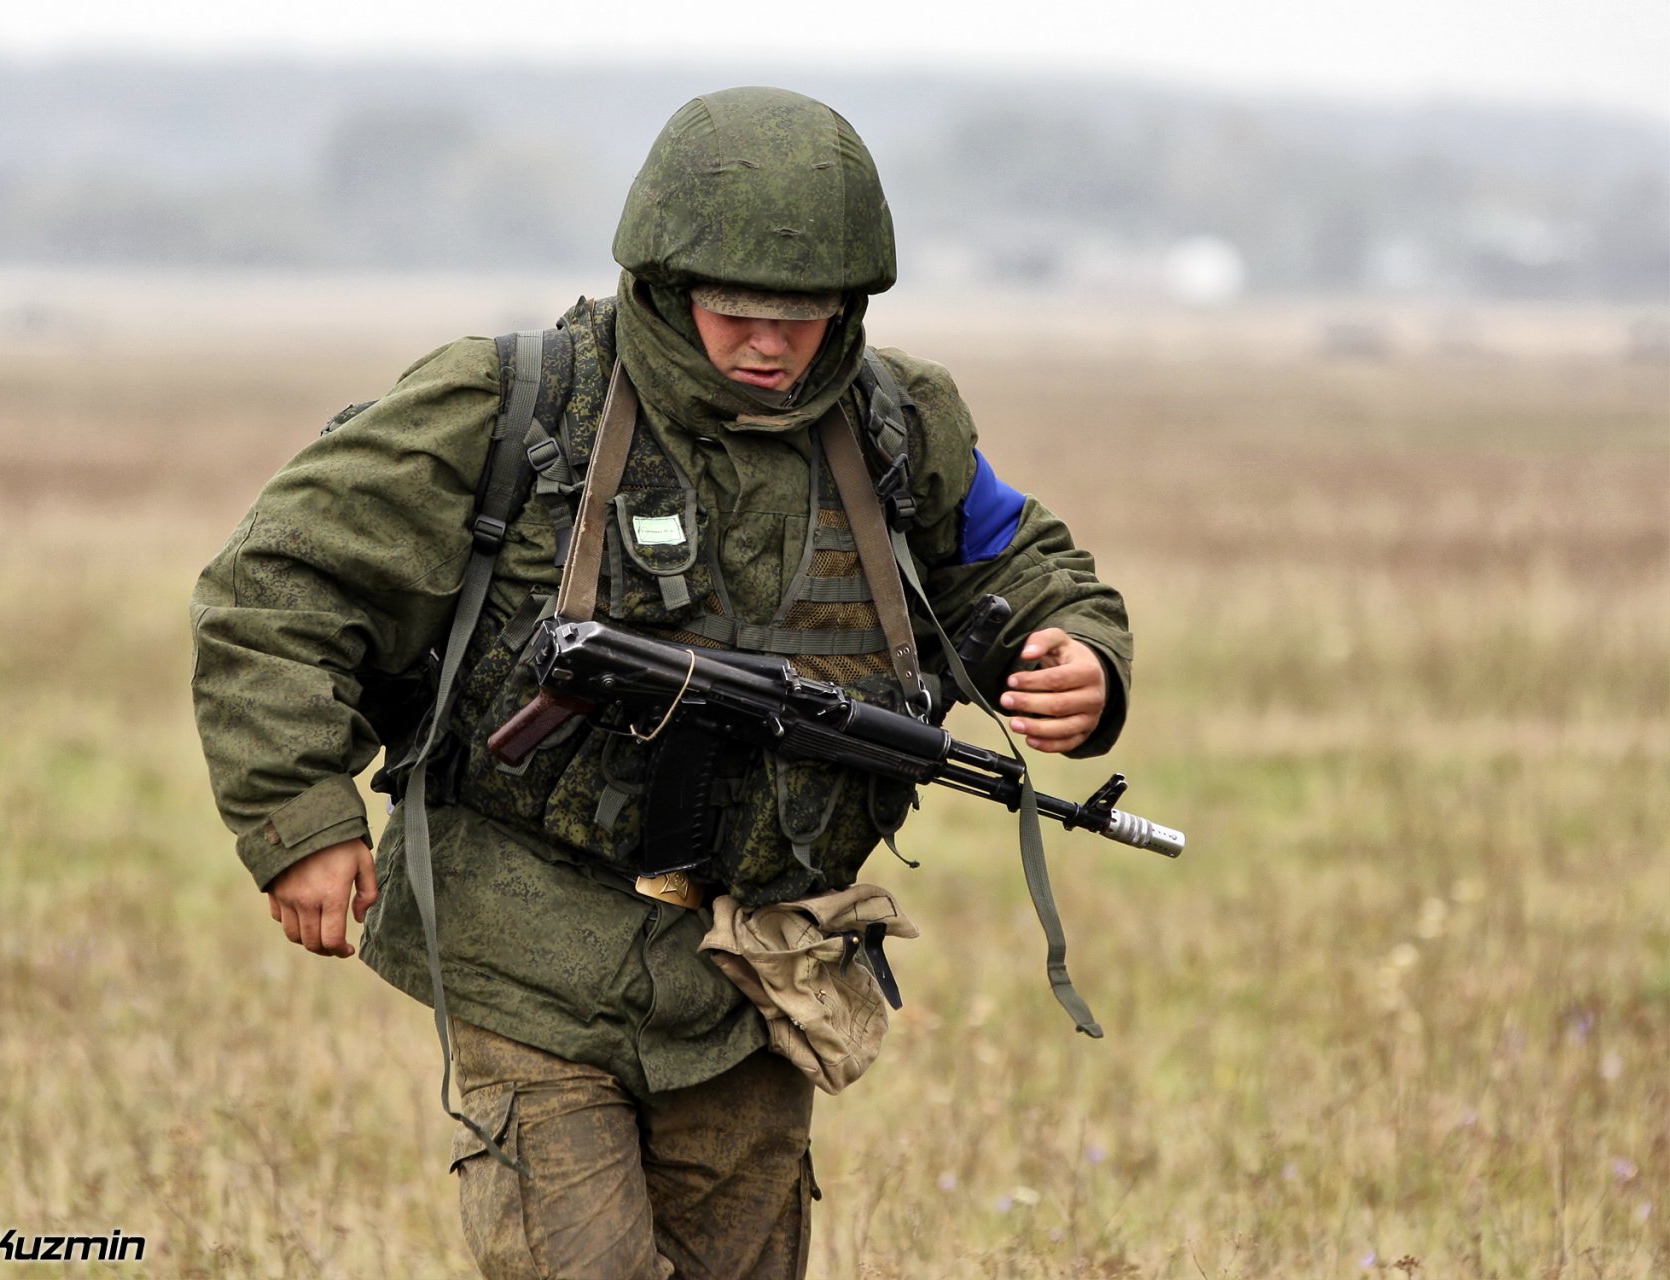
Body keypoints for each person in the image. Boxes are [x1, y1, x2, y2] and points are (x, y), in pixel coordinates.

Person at [191, 86, 1132, 1280]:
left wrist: (1079, 655)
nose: (771, 345)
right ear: (662, 280)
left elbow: (1015, 558)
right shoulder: (508, 400)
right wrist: (299, 820)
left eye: (807, 316)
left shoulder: (897, 420)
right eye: (736, 312)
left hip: (761, 971)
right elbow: (275, 583)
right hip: (528, 945)